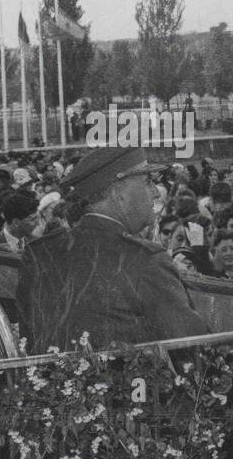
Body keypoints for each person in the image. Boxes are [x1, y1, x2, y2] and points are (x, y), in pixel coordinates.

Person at [16, 146, 208, 356]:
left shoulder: (40, 251)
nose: (154, 191)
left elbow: (32, 337)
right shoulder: (145, 260)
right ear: (118, 194)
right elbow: (193, 341)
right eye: (147, 182)